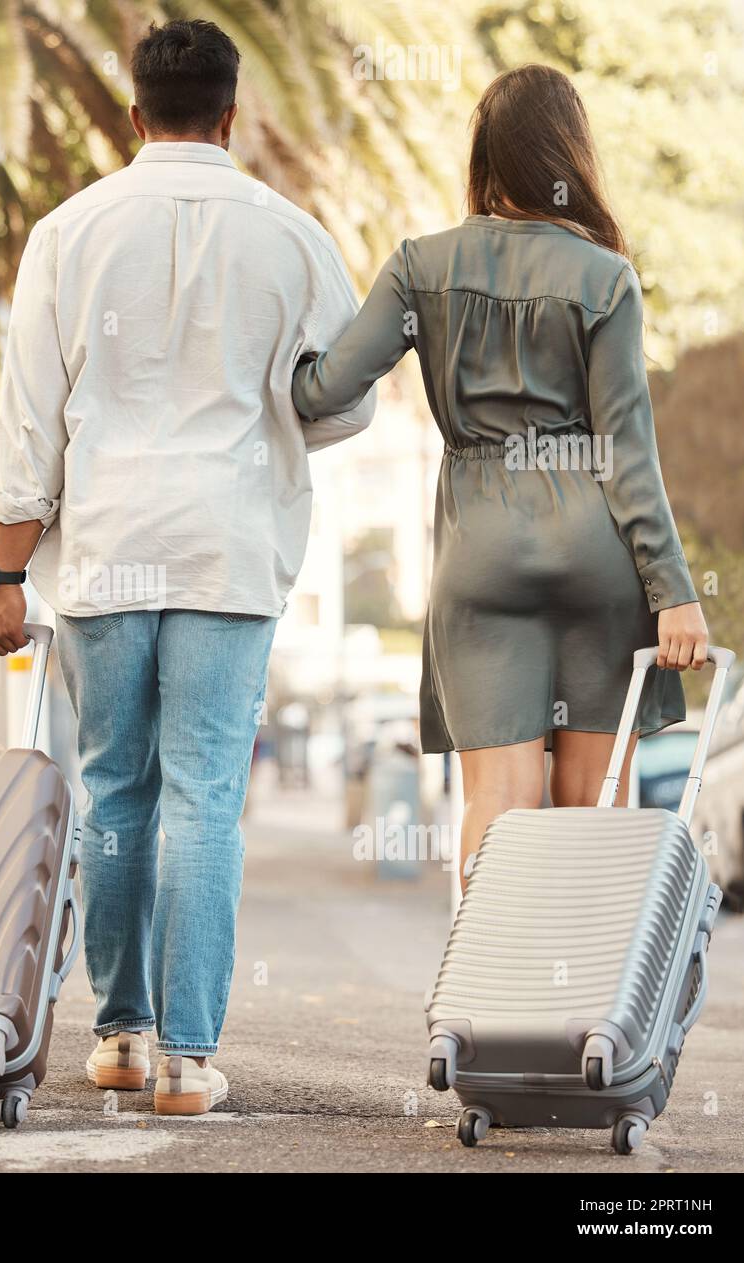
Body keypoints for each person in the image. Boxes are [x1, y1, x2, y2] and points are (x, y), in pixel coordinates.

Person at [0, 18, 374, 1114]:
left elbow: (30, 425)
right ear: (232, 115)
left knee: (113, 790)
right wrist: (274, 419)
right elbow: (350, 396)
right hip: (230, 548)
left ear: (135, 115)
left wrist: (0, 575)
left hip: (105, 549)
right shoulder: (292, 236)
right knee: (205, 799)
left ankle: (118, 1037)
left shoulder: (68, 231)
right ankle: (191, 1061)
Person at [292, 64, 709, 882]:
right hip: (594, 552)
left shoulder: (421, 265)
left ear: (484, 155)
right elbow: (627, 450)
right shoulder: (605, 278)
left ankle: (495, 996)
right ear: (570, 155)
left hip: (481, 555)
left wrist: (285, 356)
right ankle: (586, 999)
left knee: (498, 807)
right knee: (595, 808)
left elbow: (325, 388)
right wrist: (675, 589)